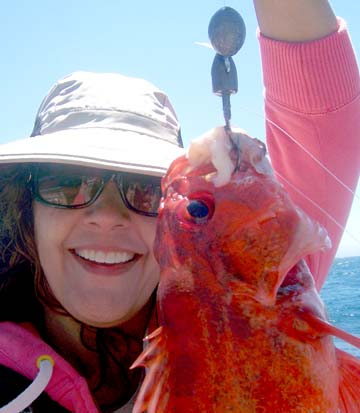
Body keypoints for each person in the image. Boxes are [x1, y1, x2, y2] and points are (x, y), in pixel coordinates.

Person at [0, 1, 358, 412]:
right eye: (65, 184)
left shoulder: (268, 288)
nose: (106, 215)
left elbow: (322, 114)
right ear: (25, 210)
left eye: (144, 190)